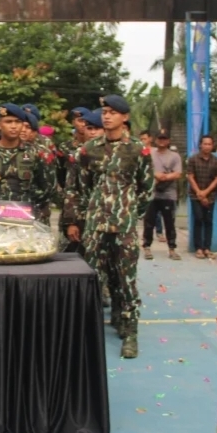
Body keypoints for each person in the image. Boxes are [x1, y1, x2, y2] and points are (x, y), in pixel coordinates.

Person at [80, 95, 152, 358]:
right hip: (96, 225)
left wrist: (129, 213)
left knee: (126, 281)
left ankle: (130, 333)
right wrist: (92, 212)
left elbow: (146, 189)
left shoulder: (138, 150)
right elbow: (83, 186)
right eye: (104, 112)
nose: (107, 116)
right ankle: (90, 330)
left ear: (125, 117)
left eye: (113, 112)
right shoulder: (90, 149)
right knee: (93, 279)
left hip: (124, 226)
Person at [0, 104, 56, 215]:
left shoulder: (37, 153)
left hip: (25, 216)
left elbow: (48, 188)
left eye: (18, 122)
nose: (14, 126)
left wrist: (29, 202)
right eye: (8, 122)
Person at [61, 108, 106, 258]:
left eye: (97, 129)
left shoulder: (116, 155)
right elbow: (71, 189)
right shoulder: (78, 156)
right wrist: (71, 222)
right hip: (83, 219)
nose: (92, 133)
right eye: (89, 128)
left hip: (110, 219)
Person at [142, 128, 182, 260]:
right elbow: (144, 169)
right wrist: (156, 175)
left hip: (168, 194)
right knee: (149, 222)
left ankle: (172, 248)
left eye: (164, 138)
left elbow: (178, 173)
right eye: (160, 138)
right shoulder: (149, 153)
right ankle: (147, 247)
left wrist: (164, 177)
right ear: (155, 139)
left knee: (169, 222)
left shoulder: (174, 156)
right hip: (152, 193)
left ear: (168, 140)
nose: (162, 141)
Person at [186, 134, 217, 258]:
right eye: (205, 144)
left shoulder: (216, 161)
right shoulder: (193, 159)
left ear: (212, 146)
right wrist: (199, 193)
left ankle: (207, 247)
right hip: (195, 195)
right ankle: (198, 248)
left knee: (208, 221)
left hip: (210, 196)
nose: (207, 146)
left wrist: (205, 192)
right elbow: (190, 176)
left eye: (209, 144)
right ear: (200, 145)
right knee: (198, 219)